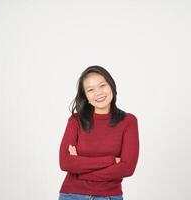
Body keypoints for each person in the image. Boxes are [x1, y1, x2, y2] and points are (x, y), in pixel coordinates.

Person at [58, 65, 139, 200]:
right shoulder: (75, 120)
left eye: (102, 85)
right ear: (86, 96)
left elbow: (127, 168)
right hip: (72, 195)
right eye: (90, 90)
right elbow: (65, 162)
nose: (98, 93)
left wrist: (80, 171)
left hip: (109, 196)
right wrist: (111, 160)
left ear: (111, 85)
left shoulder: (128, 121)